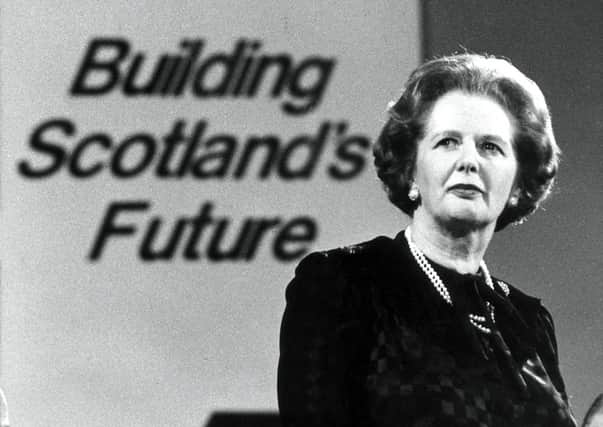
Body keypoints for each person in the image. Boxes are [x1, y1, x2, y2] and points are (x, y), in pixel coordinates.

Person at [277, 53, 577, 427]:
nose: (469, 161)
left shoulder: (528, 321)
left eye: (490, 147)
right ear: (410, 170)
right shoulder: (343, 284)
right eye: (448, 142)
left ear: (517, 185)